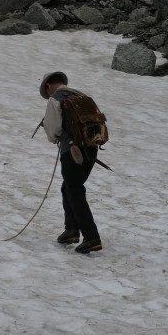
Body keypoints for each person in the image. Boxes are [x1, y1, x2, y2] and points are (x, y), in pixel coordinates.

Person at [40, 71, 102, 254]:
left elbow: (53, 130)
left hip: (72, 150)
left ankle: (91, 237)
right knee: (69, 187)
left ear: (48, 85)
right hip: (91, 148)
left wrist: (56, 138)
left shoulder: (56, 99)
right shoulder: (81, 95)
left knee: (74, 190)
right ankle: (71, 230)